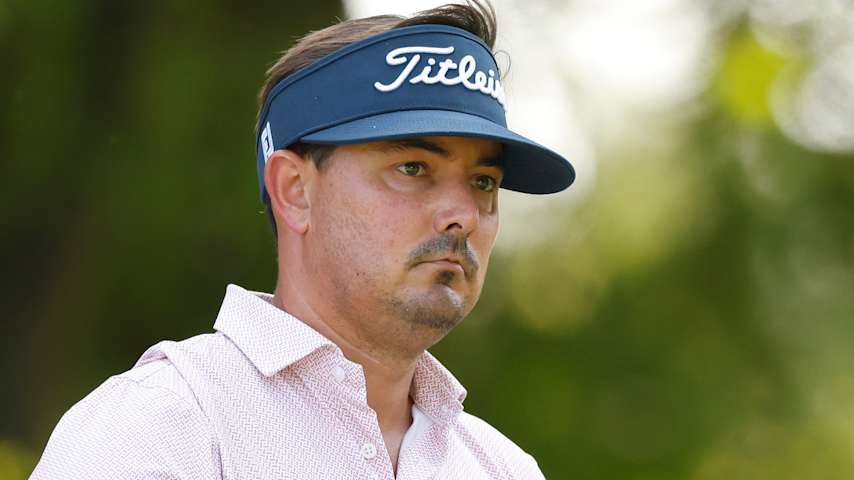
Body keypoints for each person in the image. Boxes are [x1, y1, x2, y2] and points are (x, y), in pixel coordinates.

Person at [30, 1, 574, 478]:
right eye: (412, 168)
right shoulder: (160, 430)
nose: (463, 215)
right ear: (294, 191)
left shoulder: (502, 468)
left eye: (484, 182)